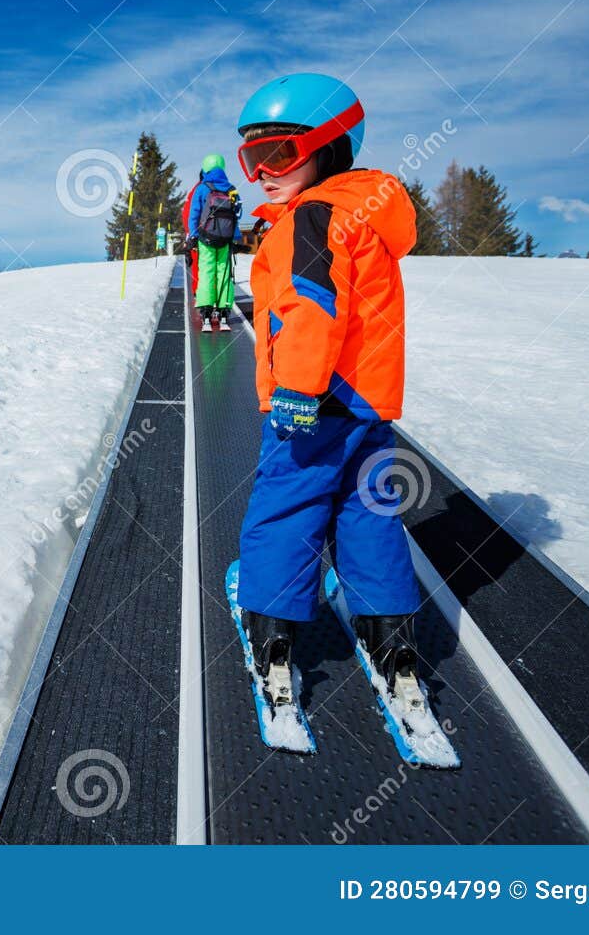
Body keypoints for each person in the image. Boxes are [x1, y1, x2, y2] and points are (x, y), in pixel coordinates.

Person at [231, 72, 424, 705]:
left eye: (279, 152)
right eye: (252, 156)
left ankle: (274, 635)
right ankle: (390, 637)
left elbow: (313, 305)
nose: (262, 171)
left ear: (332, 145)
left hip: (313, 401)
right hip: (367, 405)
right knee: (369, 510)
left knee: (288, 507)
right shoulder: (362, 216)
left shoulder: (310, 218)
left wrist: (297, 388)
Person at [183, 155, 241, 332]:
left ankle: (206, 312)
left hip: (206, 239)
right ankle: (224, 312)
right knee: (224, 273)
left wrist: (193, 236)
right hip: (225, 239)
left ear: (205, 169)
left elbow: (194, 214)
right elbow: (237, 215)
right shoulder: (232, 189)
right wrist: (234, 236)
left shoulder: (202, 188)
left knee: (207, 271)